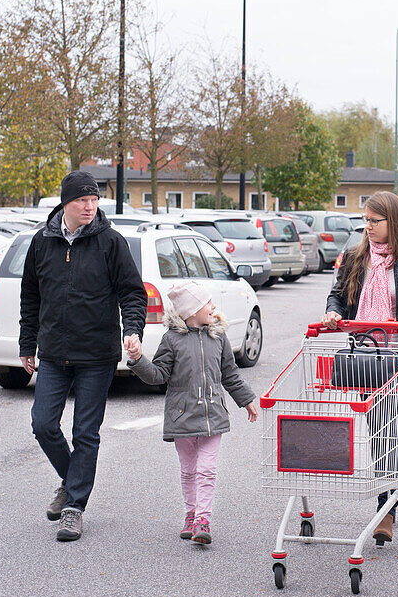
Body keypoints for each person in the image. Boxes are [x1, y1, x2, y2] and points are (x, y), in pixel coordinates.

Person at [19, 171, 147, 542]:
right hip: (54, 353)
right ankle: (71, 479)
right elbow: (31, 296)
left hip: (96, 355)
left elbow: (132, 292)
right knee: (43, 424)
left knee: (85, 432)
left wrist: (132, 330)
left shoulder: (111, 242)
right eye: (81, 201)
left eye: (94, 200)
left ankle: (73, 507)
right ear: (65, 203)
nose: (89, 207)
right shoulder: (42, 243)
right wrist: (28, 345)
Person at [322, 190, 398, 544]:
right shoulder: (357, 254)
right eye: (365, 221)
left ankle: (386, 511)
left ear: (394, 221)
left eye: (375, 221)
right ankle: (386, 499)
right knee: (377, 430)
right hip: (365, 355)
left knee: (394, 432)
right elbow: (338, 294)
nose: (368, 227)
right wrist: (334, 313)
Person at [125, 281, 258, 544]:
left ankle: (203, 521)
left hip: (213, 416)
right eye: (208, 303)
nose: (213, 307)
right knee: (188, 471)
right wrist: (138, 360)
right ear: (192, 310)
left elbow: (230, 375)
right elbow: (158, 375)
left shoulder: (218, 337)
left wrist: (246, 400)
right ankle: (191, 514)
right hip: (182, 417)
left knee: (207, 470)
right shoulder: (172, 339)